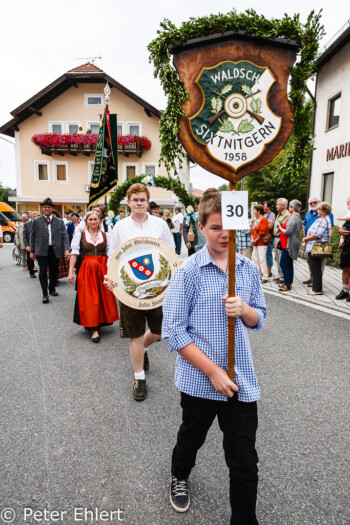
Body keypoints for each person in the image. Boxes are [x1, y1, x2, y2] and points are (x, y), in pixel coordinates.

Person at [162, 188, 266, 524]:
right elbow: (174, 332)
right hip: (199, 381)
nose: (224, 234)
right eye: (216, 227)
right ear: (201, 228)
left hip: (239, 382)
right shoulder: (189, 271)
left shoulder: (247, 270)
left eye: (231, 228)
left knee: (244, 460)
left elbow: (259, 318)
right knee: (191, 438)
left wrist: (245, 309)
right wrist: (212, 372)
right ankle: (179, 474)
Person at [104, 183, 175, 401]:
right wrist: (110, 278)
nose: (138, 204)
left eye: (142, 200)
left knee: (160, 330)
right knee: (134, 333)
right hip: (129, 290)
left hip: (158, 289)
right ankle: (139, 376)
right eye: (135, 200)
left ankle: (142, 349)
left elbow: (170, 253)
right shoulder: (120, 227)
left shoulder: (160, 224)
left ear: (148, 202)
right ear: (128, 202)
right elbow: (112, 256)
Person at [68, 210, 119, 343]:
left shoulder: (106, 235)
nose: (93, 221)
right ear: (86, 222)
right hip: (87, 269)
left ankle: (101, 321)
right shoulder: (80, 235)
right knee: (90, 298)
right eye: (90, 219)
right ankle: (93, 328)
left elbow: (111, 254)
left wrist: (113, 271)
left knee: (103, 296)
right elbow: (74, 254)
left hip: (103, 268)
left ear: (99, 221)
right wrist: (70, 272)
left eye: (95, 219)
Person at [30, 198, 69, 304]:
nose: (47, 209)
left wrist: (66, 249)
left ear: (52, 209)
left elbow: (64, 236)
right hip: (41, 250)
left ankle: (52, 289)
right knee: (42, 272)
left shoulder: (59, 222)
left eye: (49, 207)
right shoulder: (36, 221)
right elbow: (32, 236)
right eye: (45, 207)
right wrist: (32, 251)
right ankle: (44, 294)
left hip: (55, 250)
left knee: (54, 271)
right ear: (43, 209)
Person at [302, 202, 332, 296]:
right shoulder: (321, 219)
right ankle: (316, 288)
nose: (317, 211)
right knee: (315, 268)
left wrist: (305, 239)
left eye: (319, 209)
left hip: (316, 247)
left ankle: (317, 289)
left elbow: (316, 235)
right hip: (313, 247)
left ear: (323, 211)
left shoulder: (324, 220)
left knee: (316, 268)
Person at [278, 200, 302, 291]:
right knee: (289, 264)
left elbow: (288, 232)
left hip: (289, 244)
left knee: (283, 263)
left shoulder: (293, 218)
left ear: (293, 208)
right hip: (290, 243)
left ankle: (287, 284)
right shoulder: (297, 218)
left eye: (290, 207)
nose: (289, 208)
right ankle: (288, 283)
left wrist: (280, 228)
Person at [272, 198, 291, 284]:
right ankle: (280, 275)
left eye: (278, 204)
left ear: (283, 205)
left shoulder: (287, 214)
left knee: (281, 258)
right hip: (276, 237)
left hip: (281, 238)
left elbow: (284, 226)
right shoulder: (279, 214)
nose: (276, 206)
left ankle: (283, 277)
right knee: (277, 257)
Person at [335, 197, 350, 301]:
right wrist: (340, 231)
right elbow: (342, 227)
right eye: (348, 204)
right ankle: (344, 290)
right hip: (347, 245)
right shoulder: (348, 214)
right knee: (345, 267)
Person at [250, 204, 269, 283]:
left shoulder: (263, 219)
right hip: (255, 243)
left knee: (262, 259)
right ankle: (258, 275)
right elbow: (251, 231)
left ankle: (265, 276)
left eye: (254, 210)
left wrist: (256, 239)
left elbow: (262, 232)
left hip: (261, 243)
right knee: (256, 259)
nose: (253, 212)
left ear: (258, 211)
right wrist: (252, 239)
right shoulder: (255, 220)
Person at [263, 201, 276, 277]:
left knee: (268, 253)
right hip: (263, 237)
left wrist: (261, 226)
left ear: (269, 207)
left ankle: (269, 271)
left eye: (264, 206)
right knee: (263, 254)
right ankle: (265, 270)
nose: (263, 207)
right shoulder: (264, 214)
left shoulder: (271, 214)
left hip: (269, 237)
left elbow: (270, 226)